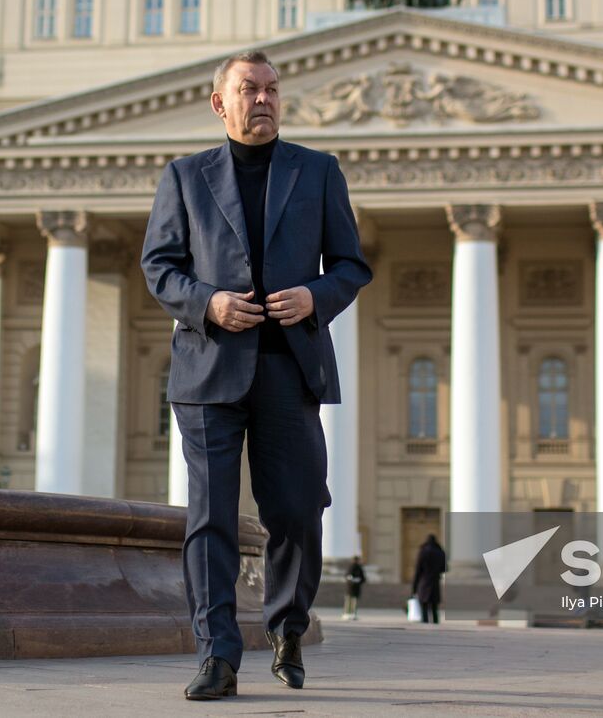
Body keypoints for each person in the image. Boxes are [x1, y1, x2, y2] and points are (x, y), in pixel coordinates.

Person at [140, 50, 371, 701]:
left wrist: (316, 297)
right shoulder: (185, 176)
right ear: (221, 103)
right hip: (209, 370)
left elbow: (351, 265)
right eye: (249, 89)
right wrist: (208, 302)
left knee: (296, 512)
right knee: (211, 517)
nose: (263, 99)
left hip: (288, 370)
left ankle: (288, 626)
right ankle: (217, 654)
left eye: (272, 88)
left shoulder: (318, 172)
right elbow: (159, 266)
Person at [411, 533, 447, 624]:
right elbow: (445, 568)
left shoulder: (423, 551)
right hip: (435, 581)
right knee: (434, 607)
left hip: (424, 582)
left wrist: (414, 587)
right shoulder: (440, 552)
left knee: (424, 605)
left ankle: (425, 622)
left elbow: (418, 570)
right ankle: (435, 622)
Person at [342, 555, 366, 620]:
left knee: (353, 602)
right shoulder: (351, 567)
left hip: (355, 588)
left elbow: (363, 578)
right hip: (350, 588)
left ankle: (352, 614)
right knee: (348, 601)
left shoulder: (359, 568)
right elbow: (347, 576)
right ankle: (346, 614)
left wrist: (358, 580)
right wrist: (351, 580)